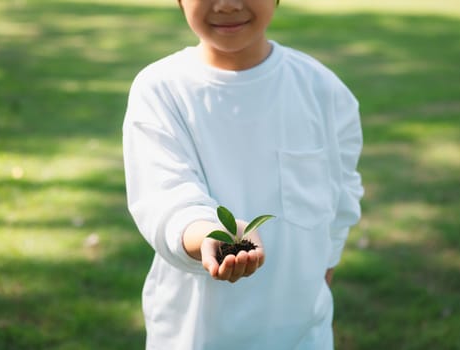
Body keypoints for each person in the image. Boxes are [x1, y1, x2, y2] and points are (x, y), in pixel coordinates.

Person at [122, 0, 364, 349]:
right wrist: (212, 232)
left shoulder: (323, 91)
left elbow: (340, 203)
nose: (227, 5)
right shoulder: (160, 89)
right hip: (195, 335)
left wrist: (320, 285)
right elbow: (166, 198)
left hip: (301, 336)